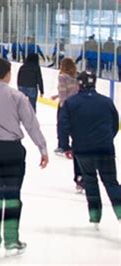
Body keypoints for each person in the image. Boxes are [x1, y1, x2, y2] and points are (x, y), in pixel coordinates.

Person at [0, 58, 48, 255]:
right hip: (13, 151)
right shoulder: (17, 97)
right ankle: (11, 238)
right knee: (13, 196)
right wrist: (42, 148)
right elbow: (31, 124)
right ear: (8, 73)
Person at [58, 71, 121, 228]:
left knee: (90, 181)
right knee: (111, 182)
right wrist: (106, 139)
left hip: (82, 149)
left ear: (79, 84)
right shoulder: (107, 102)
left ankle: (95, 216)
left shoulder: (71, 103)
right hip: (105, 148)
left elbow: (63, 126)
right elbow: (115, 124)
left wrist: (66, 146)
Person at [51, 58, 83, 193]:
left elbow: (64, 93)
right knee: (77, 133)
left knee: (62, 126)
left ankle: (63, 145)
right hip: (78, 107)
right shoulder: (76, 76)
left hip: (67, 107)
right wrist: (56, 96)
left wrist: (63, 107)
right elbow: (74, 92)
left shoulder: (62, 77)